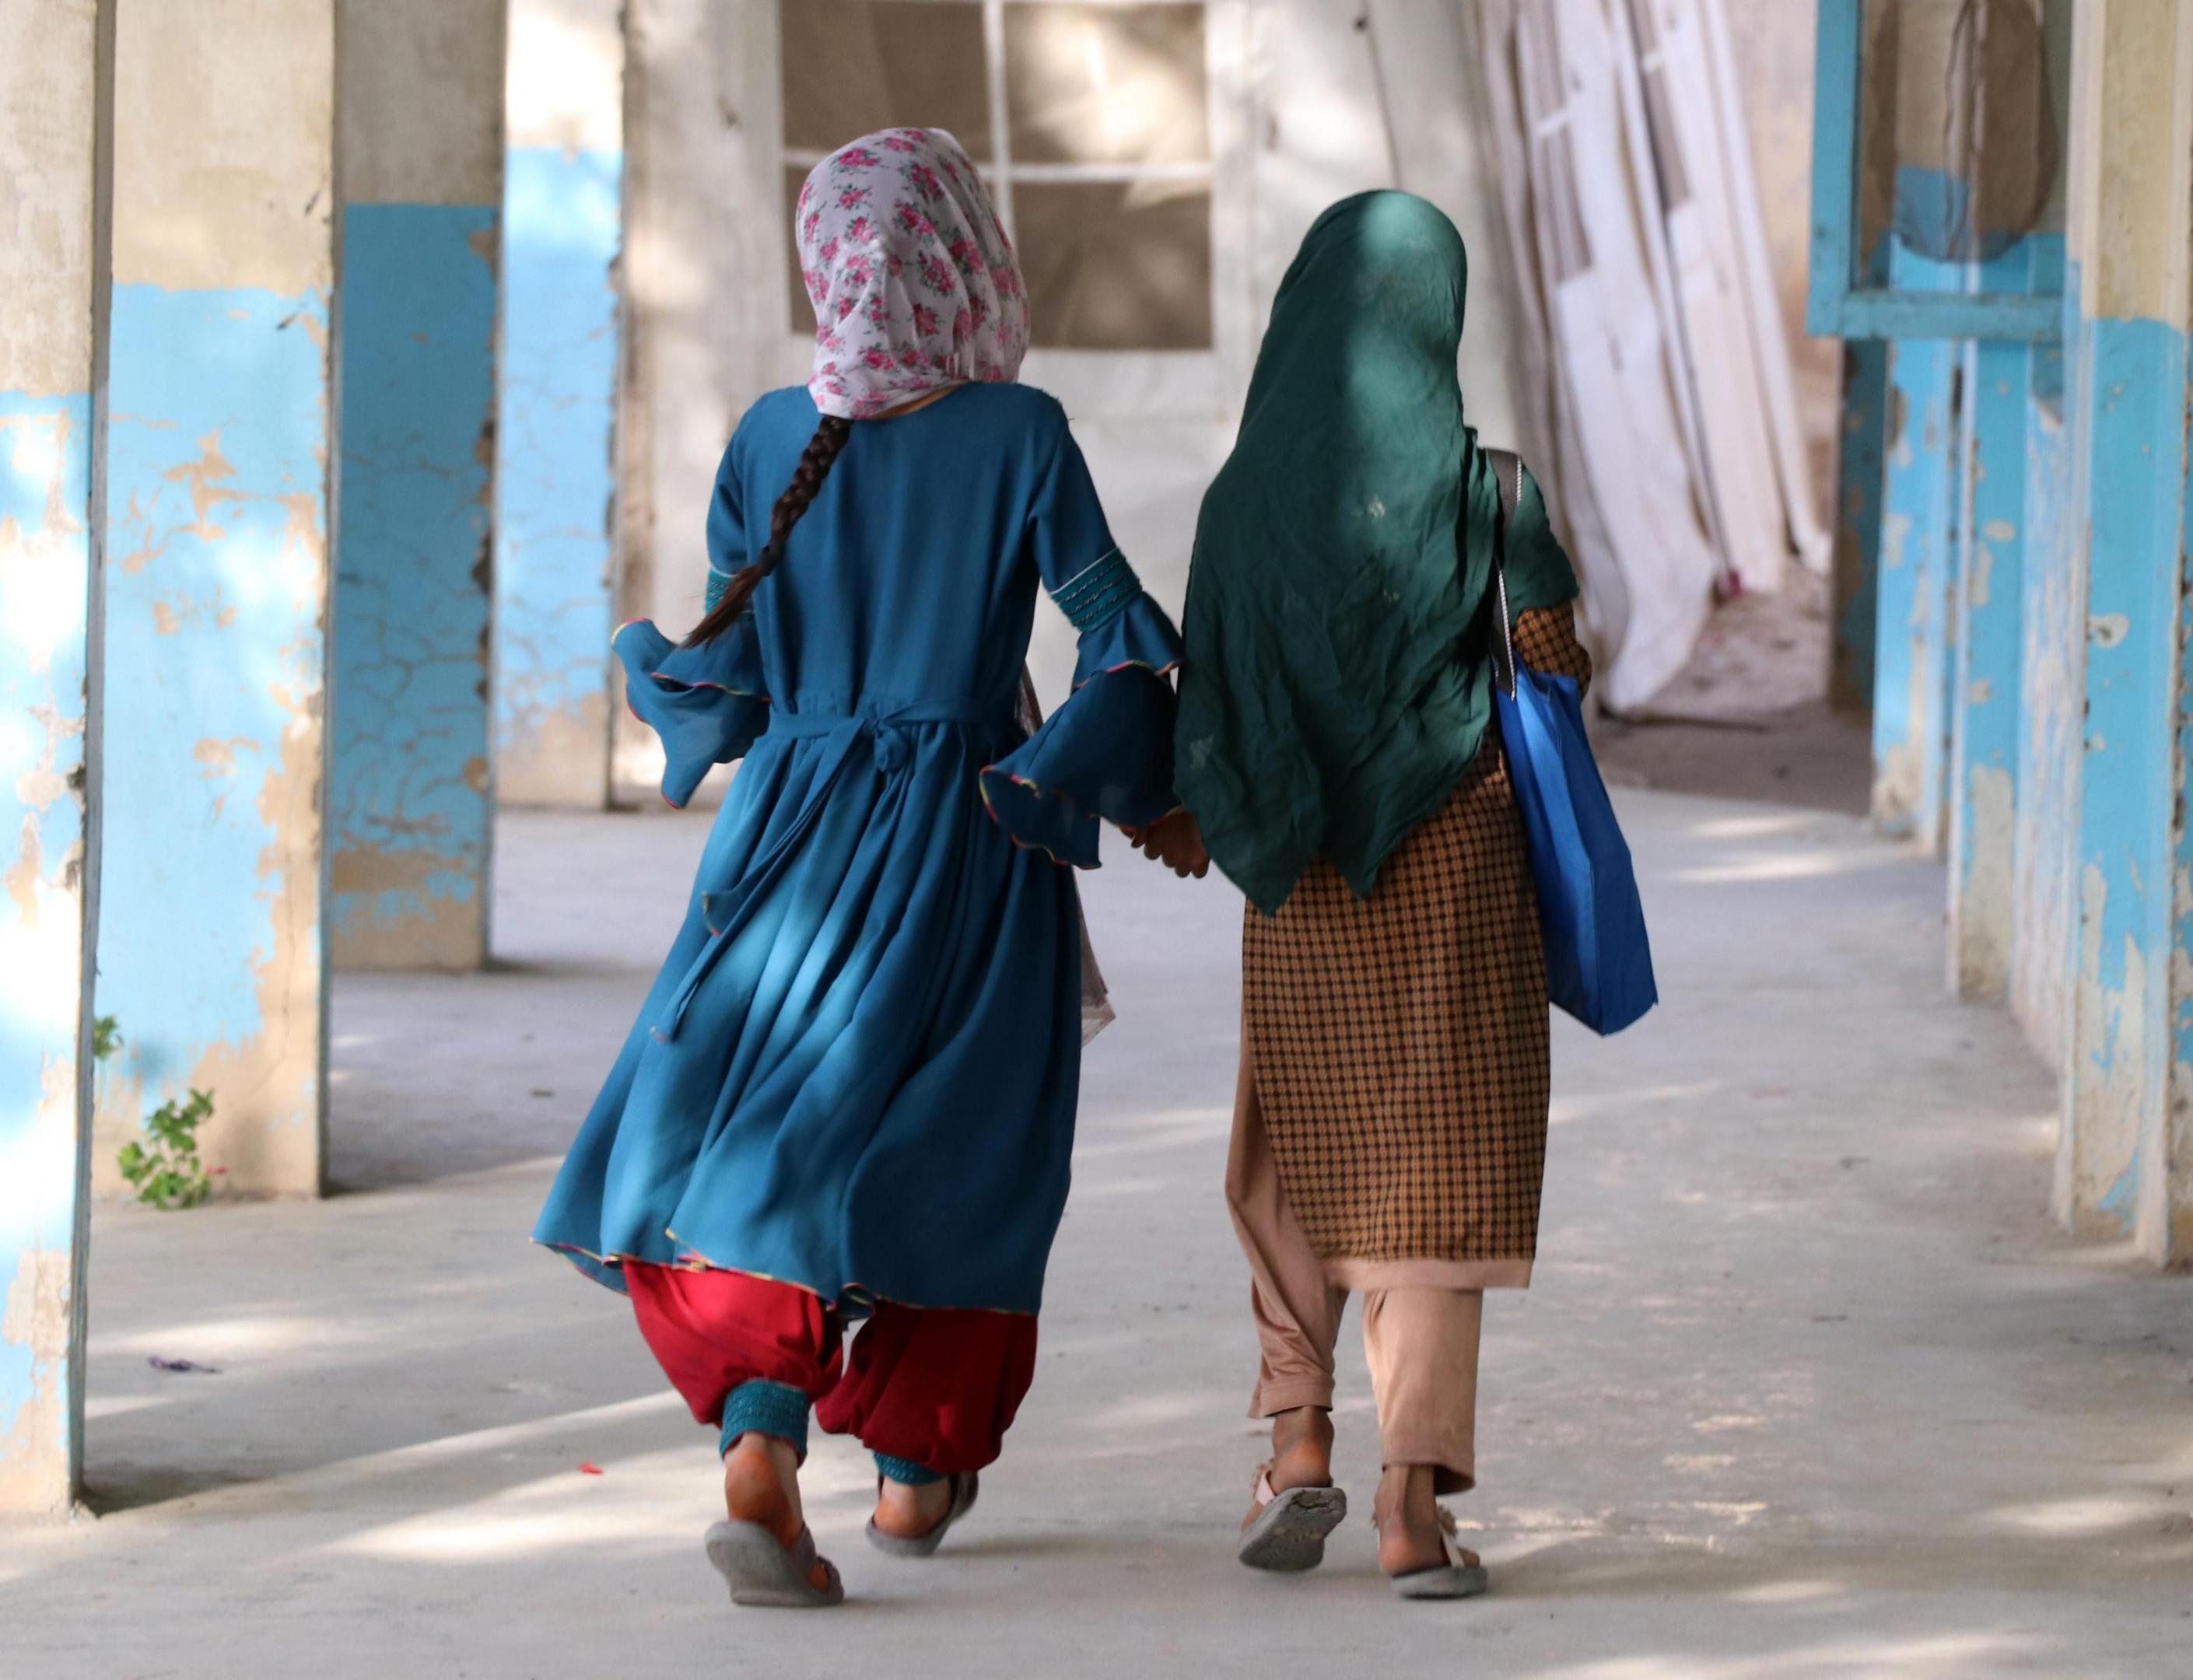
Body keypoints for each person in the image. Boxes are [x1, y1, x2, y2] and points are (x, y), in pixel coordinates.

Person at [534, 127, 1198, 1609]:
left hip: (787, 838)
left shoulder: (772, 435)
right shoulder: (1022, 433)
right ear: (970, 254)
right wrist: (1128, 785)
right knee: (966, 1137)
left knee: (768, 1118)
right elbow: (1114, 629)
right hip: (972, 833)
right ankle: (915, 1465)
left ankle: (759, 1438)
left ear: (825, 264)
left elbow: (735, 665)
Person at [1140, 190, 1595, 1601]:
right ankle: (1412, 1501)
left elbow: (1206, 700)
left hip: (1302, 879)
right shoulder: (1494, 497)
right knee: (1437, 1175)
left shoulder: (1239, 506)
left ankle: (1294, 1443)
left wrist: (1214, 812)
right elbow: (1557, 667)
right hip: (1455, 872)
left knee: (1294, 1148)